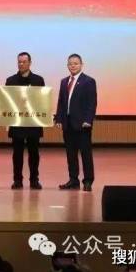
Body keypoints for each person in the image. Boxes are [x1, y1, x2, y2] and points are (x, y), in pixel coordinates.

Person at [55, 54, 97, 192]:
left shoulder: (88, 81)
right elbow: (61, 102)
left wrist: (88, 120)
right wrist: (59, 119)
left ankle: (88, 181)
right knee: (71, 154)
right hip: (68, 124)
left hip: (82, 124)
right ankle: (73, 180)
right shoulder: (64, 81)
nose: (73, 66)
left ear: (81, 65)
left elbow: (92, 103)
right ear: (67, 65)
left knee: (85, 154)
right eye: (70, 64)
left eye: (76, 63)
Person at [4, 52, 45, 190]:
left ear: (30, 63)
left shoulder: (38, 80)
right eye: (19, 62)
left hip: (33, 123)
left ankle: (34, 180)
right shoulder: (10, 81)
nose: (21, 64)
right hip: (17, 123)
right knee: (17, 154)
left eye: (24, 62)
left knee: (34, 153)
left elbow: (42, 102)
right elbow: (6, 102)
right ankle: (17, 180)